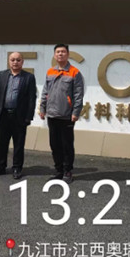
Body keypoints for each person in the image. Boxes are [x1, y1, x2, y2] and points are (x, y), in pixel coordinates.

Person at [39, 44, 84, 184]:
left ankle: (67, 171)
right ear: (54, 55)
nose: (60, 54)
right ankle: (58, 170)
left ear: (68, 54)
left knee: (67, 145)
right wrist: (42, 108)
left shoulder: (75, 72)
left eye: (63, 52)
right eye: (58, 52)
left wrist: (75, 112)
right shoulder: (50, 72)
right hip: (52, 114)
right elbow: (45, 92)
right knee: (54, 144)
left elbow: (78, 95)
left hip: (66, 115)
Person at [0, 52, 37, 179]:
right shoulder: (2, 75)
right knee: (2, 143)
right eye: (13, 60)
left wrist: (29, 116)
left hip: (19, 116)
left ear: (22, 62)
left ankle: (17, 168)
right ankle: (0, 166)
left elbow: (32, 98)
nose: (15, 62)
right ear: (9, 61)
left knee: (19, 144)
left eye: (18, 60)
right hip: (3, 115)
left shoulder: (29, 77)